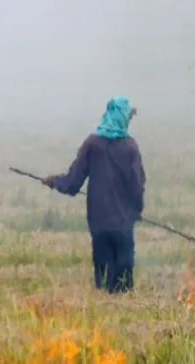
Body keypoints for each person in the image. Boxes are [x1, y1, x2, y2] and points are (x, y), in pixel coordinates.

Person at [44, 96, 146, 294]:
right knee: (123, 283)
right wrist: (136, 210)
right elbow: (137, 185)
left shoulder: (92, 144)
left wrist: (54, 182)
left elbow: (73, 183)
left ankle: (104, 309)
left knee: (104, 282)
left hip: (99, 222)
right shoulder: (130, 147)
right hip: (123, 224)